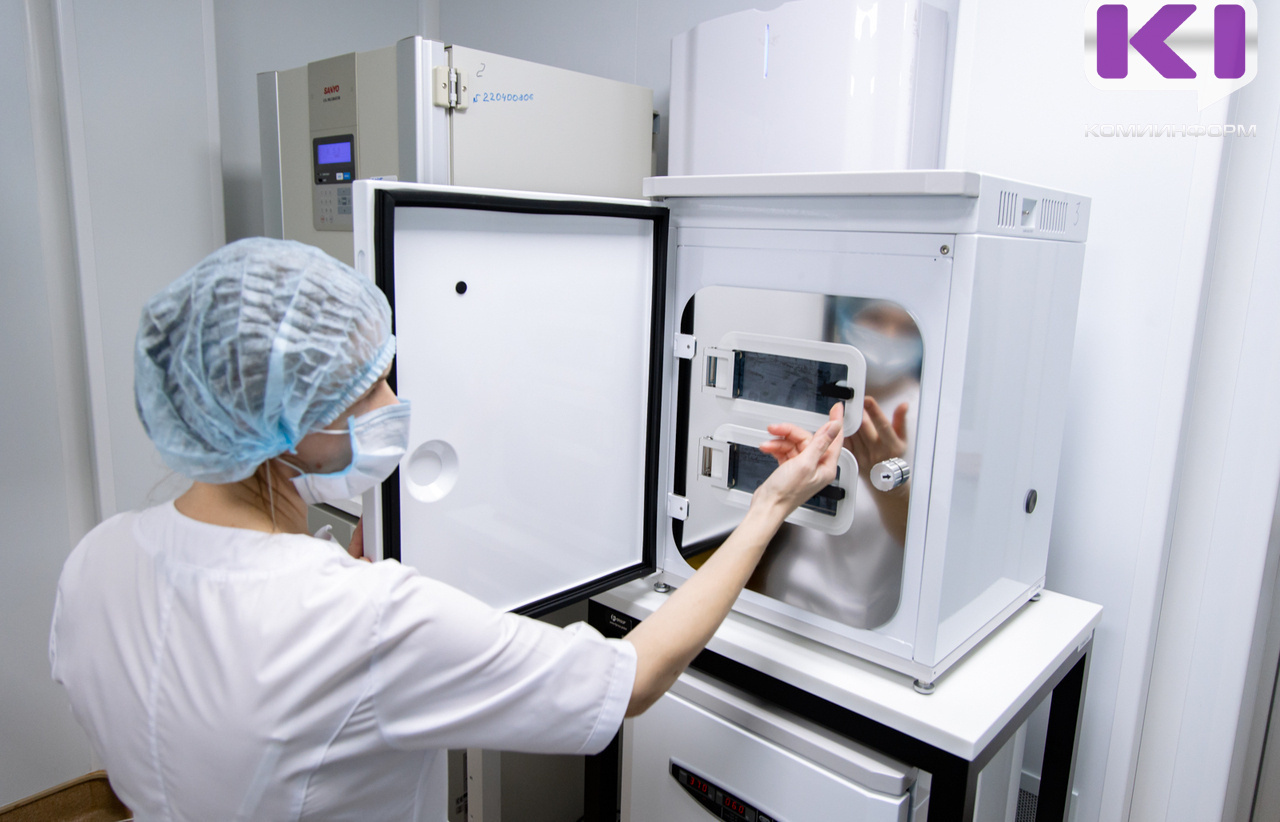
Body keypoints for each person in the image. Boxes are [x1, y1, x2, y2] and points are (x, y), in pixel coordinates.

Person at [48, 238, 843, 821]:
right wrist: (768, 507)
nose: (393, 399)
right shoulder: (362, 618)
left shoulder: (95, 562)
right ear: (295, 419)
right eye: (369, 384)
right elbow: (630, 680)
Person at [750, 298, 922, 630]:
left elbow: (920, 541)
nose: (889, 336)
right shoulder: (814, 394)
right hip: (779, 601)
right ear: (844, 317)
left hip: (854, 625)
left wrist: (884, 480)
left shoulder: (926, 419)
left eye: (906, 328)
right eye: (875, 319)